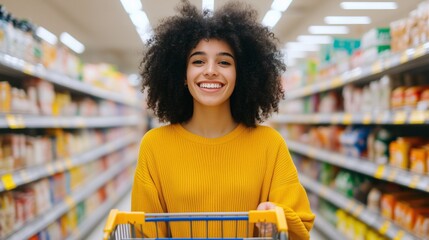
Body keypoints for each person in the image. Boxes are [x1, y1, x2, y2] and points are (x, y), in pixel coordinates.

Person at [131, 0, 315, 239]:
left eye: (224, 62)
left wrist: (277, 216)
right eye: (198, 61)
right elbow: (145, 231)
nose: (210, 70)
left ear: (242, 75)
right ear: (182, 75)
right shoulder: (154, 145)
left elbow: (300, 222)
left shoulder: (270, 143)